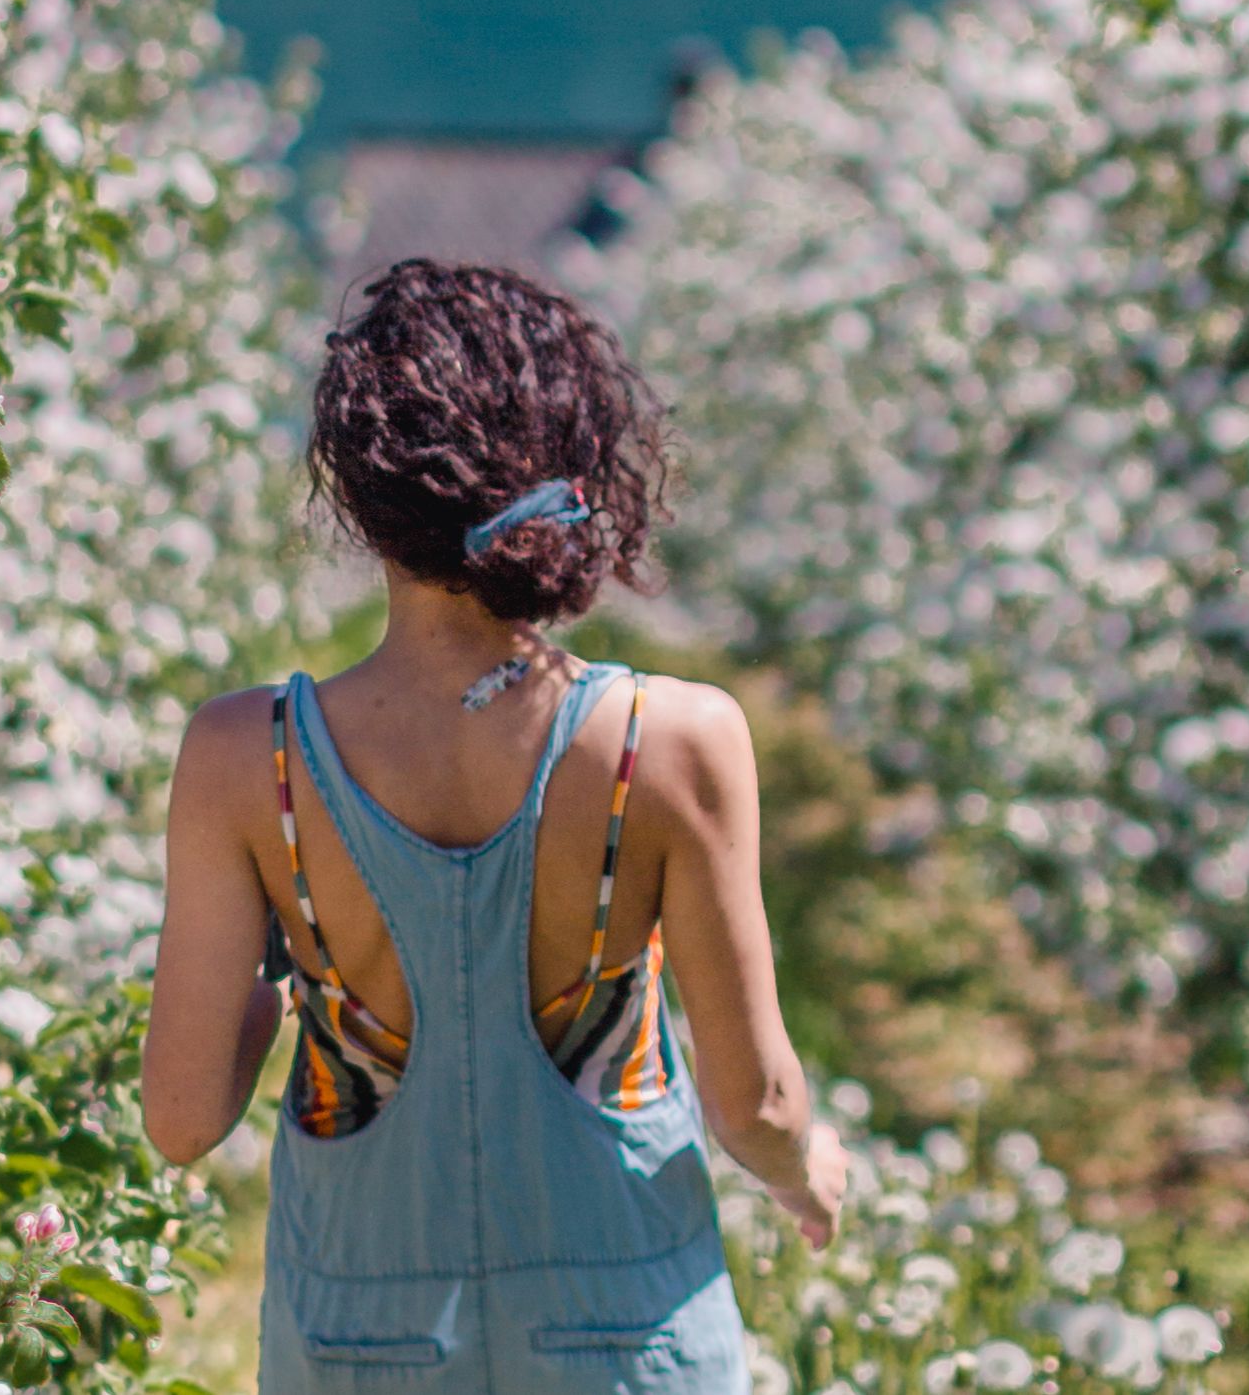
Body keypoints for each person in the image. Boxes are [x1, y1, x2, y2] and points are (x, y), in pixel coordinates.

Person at [142, 259, 848, 1395]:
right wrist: (806, 1171)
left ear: (359, 495)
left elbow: (180, 1120)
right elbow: (754, 1104)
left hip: (356, 1347)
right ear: (579, 467)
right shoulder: (666, 741)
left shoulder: (245, 758)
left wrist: (274, 980)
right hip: (626, 1338)